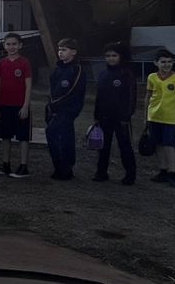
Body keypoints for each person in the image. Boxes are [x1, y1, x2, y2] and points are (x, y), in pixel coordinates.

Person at [92, 43, 137, 185]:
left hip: (121, 118)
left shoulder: (127, 74)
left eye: (114, 55)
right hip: (104, 117)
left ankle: (130, 174)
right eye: (108, 56)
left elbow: (131, 97)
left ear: (121, 56)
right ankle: (101, 172)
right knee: (103, 146)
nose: (111, 58)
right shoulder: (103, 74)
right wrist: (97, 115)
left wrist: (126, 115)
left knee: (124, 146)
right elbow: (99, 97)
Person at [44, 38, 87, 181]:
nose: (60, 53)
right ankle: (62, 168)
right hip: (55, 109)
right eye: (59, 50)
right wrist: (50, 105)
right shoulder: (57, 69)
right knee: (63, 136)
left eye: (64, 50)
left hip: (68, 109)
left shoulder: (77, 69)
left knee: (53, 132)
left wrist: (56, 104)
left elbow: (73, 91)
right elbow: (52, 89)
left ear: (73, 52)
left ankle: (64, 167)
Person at [144, 47, 175, 187]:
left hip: (170, 117)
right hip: (154, 116)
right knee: (158, 144)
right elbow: (148, 96)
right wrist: (146, 116)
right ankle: (162, 169)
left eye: (169, 61)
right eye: (163, 62)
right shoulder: (152, 77)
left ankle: (172, 172)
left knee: (170, 144)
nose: (167, 64)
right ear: (156, 63)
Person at [0, 32, 33, 178]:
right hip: (4, 105)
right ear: (4, 45)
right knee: (5, 136)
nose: (11, 47)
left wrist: (25, 106)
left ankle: (23, 166)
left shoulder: (25, 63)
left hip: (20, 106)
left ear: (20, 45)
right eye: (8, 44)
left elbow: (28, 86)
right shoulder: (1, 63)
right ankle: (5, 164)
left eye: (14, 44)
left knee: (23, 137)